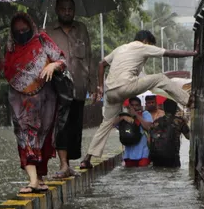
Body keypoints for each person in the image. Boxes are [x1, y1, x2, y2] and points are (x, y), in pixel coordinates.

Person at [79, 30, 197, 169]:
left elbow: (101, 64)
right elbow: (170, 53)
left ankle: (86, 159)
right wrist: (193, 53)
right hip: (126, 86)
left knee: (105, 125)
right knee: (160, 78)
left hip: (110, 91)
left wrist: (100, 87)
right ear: (146, 41)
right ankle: (188, 101)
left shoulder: (120, 48)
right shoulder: (143, 46)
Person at [0, 12, 66, 193]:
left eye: (25, 30)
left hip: (45, 99)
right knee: (25, 136)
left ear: (31, 27)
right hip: (20, 102)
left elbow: (62, 59)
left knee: (42, 138)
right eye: (17, 31)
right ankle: (32, 180)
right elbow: (1, 71)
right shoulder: (10, 47)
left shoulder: (42, 40)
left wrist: (51, 65)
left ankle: (38, 179)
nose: (21, 33)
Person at [46, 0, 94, 178]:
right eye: (63, 9)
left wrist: (95, 86)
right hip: (57, 88)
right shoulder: (48, 31)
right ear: (57, 10)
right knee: (61, 125)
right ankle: (63, 164)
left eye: (70, 9)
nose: (67, 12)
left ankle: (69, 164)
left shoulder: (81, 29)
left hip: (79, 86)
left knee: (75, 126)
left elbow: (89, 56)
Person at [149, 99, 190, 168]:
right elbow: (189, 136)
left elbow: (150, 138)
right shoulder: (179, 121)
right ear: (175, 109)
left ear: (164, 109)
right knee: (173, 175)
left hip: (157, 156)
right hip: (172, 156)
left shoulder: (156, 122)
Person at [115, 97, 152, 168]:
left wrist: (136, 115)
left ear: (140, 106)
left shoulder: (145, 114)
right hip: (128, 154)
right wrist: (123, 117)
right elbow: (112, 124)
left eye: (136, 105)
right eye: (132, 105)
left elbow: (148, 127)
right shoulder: (125, 116)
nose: (134, 107)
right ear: (129, 106)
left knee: (143, 172)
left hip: (143, 154)